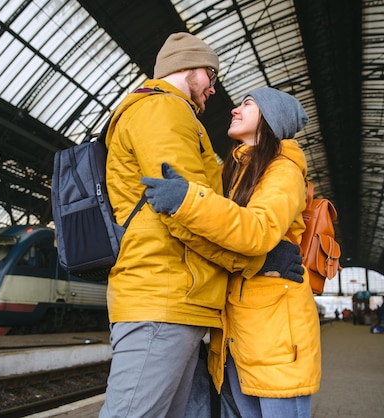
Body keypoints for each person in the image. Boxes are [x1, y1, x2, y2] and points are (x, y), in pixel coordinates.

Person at [99, 33, 302, 418]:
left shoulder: (174, 114)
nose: (213, 86)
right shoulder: (164, 111)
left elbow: (192, 207)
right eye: (210, 73)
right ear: (187, 66)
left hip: (179, 297)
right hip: (163, 295)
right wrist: (254, 263)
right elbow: (185, 215)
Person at [141, 87, 321, 418]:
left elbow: (257, 230)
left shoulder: (283, 171)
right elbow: (223, 237)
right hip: (237, 335)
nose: (235, 110)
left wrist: (189, 201)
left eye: (247, 105)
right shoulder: (238, 173)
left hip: (276, 335)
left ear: (270, 120)